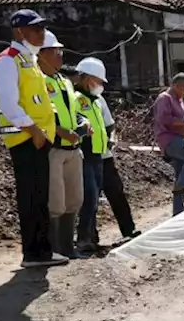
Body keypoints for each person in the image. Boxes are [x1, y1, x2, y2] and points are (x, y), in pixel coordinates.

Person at [0, 9, 66, 268]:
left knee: (40, 196)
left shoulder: (29, 61)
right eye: (35, 29)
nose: (41, 34)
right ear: (19, 32)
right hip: (25, 138)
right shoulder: (7, 61)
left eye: (42, 29)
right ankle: (33, 253)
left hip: (40, 137)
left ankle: (43, 251)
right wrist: (33, 130)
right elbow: (9, 105)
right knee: (31, 197)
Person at [39, 31, 84, 259]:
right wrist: (60, 130)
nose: (60, 56)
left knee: (74, 199)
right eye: (56, 52)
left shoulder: (63, 81)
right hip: (54, 149)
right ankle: (54, 249)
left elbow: (73, 111)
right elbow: (40, 114)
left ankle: (68, 247)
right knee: (55, 201)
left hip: (73, 149)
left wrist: (81, 123)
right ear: (42, 54)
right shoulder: (38, 81)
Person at [73, 57, 110, 255]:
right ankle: (83, 238)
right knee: (89, 197)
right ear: (87, 79)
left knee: (95, 197)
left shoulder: (94, 102)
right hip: (84, 154)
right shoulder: (76, 100)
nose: (101, 85)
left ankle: (91, 236)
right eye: (99, 81)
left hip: (98, 155)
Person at [93, 91, 139, 244]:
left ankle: (128, 229)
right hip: (87, 158)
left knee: (116, 192)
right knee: (89, 198)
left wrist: (110, 139)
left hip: (105, 156)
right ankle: (89, 237)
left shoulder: (99, 98)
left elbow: (110, 125)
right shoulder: (75, 98)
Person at [154, 72, 184, 216]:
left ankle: (178, 211)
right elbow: (165, 120)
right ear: (176, 86)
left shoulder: (180, 100)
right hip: (169, 139)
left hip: (180, 138)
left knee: (180, 173)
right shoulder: (164, 98)